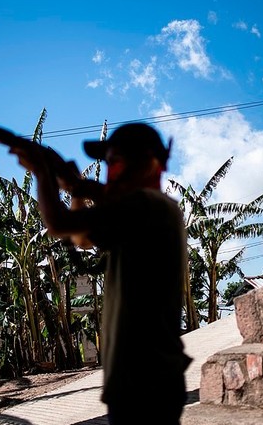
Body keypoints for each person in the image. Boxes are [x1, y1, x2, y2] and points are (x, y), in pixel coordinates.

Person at [10, 122, 193, 425]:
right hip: (145, 375)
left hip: (145, 376)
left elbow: (58, 224)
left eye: (116, 161)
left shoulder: (146, 205)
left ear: (149, 163)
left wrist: (43, 172)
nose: (111, 170)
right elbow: (82, 239)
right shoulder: (151, 210)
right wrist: (76, 190)